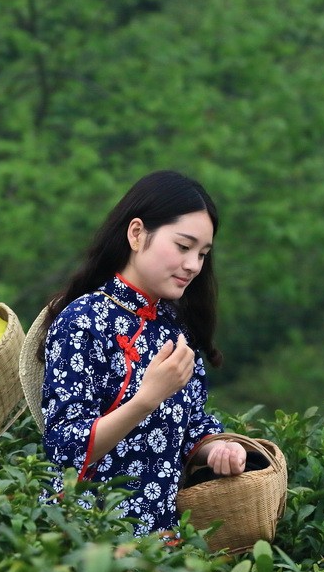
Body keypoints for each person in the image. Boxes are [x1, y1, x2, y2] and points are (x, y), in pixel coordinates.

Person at [40, 170, 247, 536]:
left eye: (202, 254)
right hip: (85, 536)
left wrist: (218, 448)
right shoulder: (83, 320)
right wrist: (147, 398)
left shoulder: (174, 326)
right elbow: (66, 448)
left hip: (159, 542)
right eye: (183, 247)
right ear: (137, 233)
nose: (194, 265)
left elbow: (191, 426)